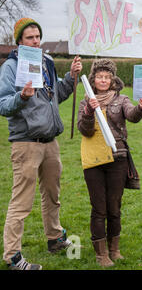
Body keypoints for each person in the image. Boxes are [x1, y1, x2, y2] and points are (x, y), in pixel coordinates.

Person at [0, 18, 82, 270]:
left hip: (50, 142)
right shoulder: (11, 67)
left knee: (52, 195)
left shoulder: (45, 62)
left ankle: (55, 238)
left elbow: (55, 94)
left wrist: (71, 78)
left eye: (37, 37)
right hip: (26, 143)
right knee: (21, 202)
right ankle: (13, 257)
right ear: (19, 41)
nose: (35, 41)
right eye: (29, 38)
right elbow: (3, 104)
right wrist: (21, 97)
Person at [77, 59, 142, 267]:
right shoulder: (86, 101)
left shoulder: (122, 99)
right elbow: (85, 130)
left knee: (114, 207)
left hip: (118, 159)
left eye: (107, 77)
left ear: (112, 79)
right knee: (99, 208)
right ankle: (101, 255)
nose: (103, 80)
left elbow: (132, 116)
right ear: (93, 79)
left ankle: (114, 249)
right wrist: (90, 112)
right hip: (94, 160)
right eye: (99, 76)